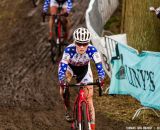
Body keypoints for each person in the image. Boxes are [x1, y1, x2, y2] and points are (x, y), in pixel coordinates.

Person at [58, 27, 106, 130]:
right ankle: (67, 109)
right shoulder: (69, 50)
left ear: (88, 43)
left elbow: (99, 66)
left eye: (85, 44)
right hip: (69, 70)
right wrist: (62, 80)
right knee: (63, 89)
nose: (81, 47)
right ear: (75, 42)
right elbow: (62, 67)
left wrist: (101, 78)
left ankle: (92, 127)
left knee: (89, 99)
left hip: (84, 70)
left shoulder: (92, 50)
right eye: (79, 43)